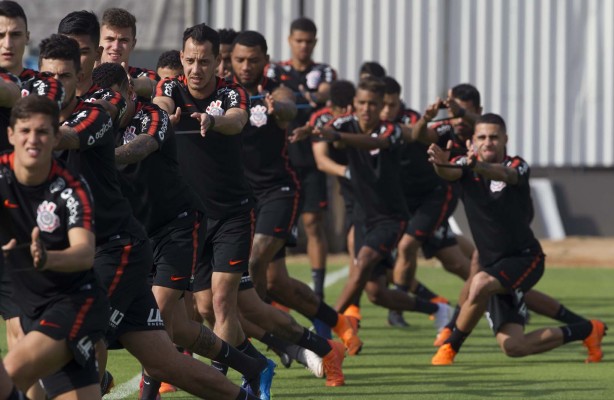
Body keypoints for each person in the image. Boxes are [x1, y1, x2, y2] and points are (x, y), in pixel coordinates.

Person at [39, 33, 259, 400]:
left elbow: (103, 134)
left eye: (65, 76)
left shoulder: (99, 110)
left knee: (77, 332)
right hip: (115, 240)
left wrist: (38, 138)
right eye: (49, 78)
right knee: (165, 357)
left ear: (83, 72)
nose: (55, 86)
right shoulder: (46, 110)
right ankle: (247, 377)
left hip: (135, 240)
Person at [428, 113, 607, 365]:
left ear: (505, 139)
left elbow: (507, 176)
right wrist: (440, 164)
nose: (488, 142)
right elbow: (448, 173)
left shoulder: (516, 165)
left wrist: (477, 166)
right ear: (473, 140)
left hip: (525, 258)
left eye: (493, 137)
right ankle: (587, 330)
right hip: (494, 266)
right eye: (482, 137)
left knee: (478, 284)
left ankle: (449, 347)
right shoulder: (463, 165)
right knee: (513, 346)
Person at [153, 23, 275, 393]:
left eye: (203, 61)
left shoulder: (231, 91)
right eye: (189, 60)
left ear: (217, 62)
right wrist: (162, 118)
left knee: (223, 301)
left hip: (234, 212)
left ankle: (223, 385)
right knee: (203, 309)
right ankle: (257, 364)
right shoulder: (170, 87)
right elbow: (161, 104)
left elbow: (237, 121)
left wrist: (213, 120)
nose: (195, 69)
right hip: (193, 218)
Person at [228, 30, 346, 387]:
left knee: (250, 267)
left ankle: (264, 347)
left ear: (265, 59)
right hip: (235, 196)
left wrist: (276, 107)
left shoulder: (276, 82)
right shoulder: (221, 91)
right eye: (240, 60)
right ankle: (329, 335)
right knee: (274, 283)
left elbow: (288, 105)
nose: (246, 66)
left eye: (253, 60)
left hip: (277, 190)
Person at [310, 76, 452, 339]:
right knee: (376, 293)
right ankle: (437, 309)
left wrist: (338, 137)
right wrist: (312, 133)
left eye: (373, 104)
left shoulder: (391, 130)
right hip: (364, 215)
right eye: (362, 103)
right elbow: (326, 134)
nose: (368, 109)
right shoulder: (344, 123)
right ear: (354, 104)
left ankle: (322, 327)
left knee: (361, 264)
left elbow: (373, 142)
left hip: (391, 217)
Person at [0, 95, 109, 399]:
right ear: (11, 135)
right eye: (25, 131)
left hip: (76, 303)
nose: (33, 139)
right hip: (32, 306)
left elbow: (85, 253)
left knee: (8, 375)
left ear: (56, 137)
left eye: (42, 131)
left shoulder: (71, 189)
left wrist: (47, 258)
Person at [382, 76, 471, 328]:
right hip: (403, 201)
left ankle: (395, 308)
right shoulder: (370, 123)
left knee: (407, 246)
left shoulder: (410, 119)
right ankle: (500, 291)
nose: (388, 110)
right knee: (452, 259)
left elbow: (416, 133)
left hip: (433, 196)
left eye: (392, 104)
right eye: (383, 105)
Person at [266, 18, 336, 324]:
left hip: (310, 161)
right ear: (290, 40)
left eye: (309, 41)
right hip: (280, 159)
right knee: (275, 230)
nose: (304, 46)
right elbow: (299, 97)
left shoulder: (325, 71)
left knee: (313, 224)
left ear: (315, 43)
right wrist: (306, 98)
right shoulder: (275, 70)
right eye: (299, 40)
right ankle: (273, 290)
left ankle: (318, 289)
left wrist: (296, 96)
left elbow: (325, 95)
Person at [99, 8, 159, 100]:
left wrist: (132, 83)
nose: (115, 47)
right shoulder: (84, 78)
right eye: (110, 39)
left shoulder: (147, 75)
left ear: (133, 44)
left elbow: (156, 86)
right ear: (98, 41)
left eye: (123, 40)